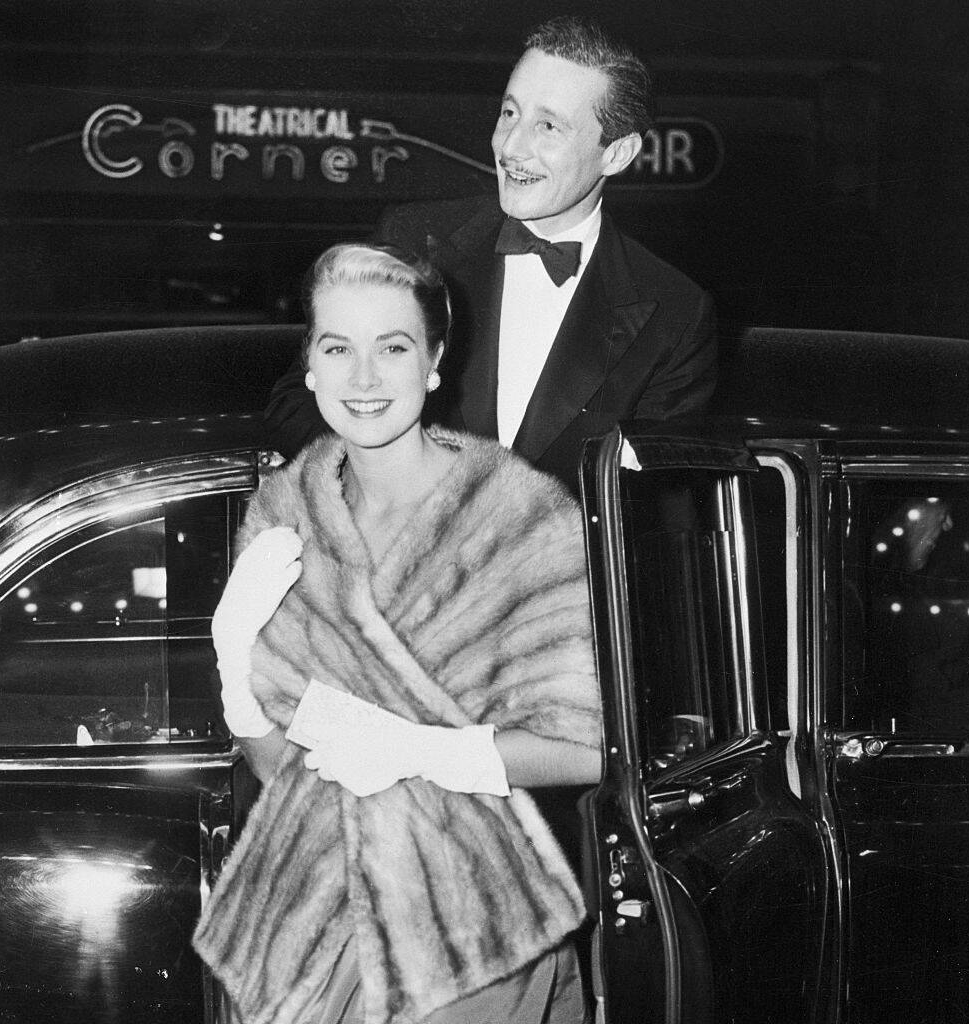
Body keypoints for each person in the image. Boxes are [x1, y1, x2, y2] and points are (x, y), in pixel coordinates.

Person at [193, 243, 602, 1024]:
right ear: (310, 367)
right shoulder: (286, 511)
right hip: (309, 931)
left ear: (434, 363)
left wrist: (423, 751)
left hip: (466, 935)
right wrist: (236, 677)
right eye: (337, 348)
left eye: (392, 348)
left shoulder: (518, 517)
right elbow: (284, 770)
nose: (364, 378)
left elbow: (590, 746)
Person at [265, 15, 717, 495]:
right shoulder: (414, 240)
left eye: (548, 126)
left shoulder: (676, 314)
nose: (511, 147)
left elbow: (654, 505)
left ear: (617, 153)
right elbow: (296, 402)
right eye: (509, 113)